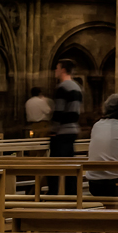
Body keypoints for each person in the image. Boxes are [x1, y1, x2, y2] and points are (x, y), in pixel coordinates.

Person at [46, 59, 82, 195]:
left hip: (62, 132)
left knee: (54, 166)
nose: (55, 71)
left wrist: (53, 130)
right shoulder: (77, 87)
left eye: (57, 68)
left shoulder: (62, 87)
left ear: (63, 69)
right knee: (70, 166)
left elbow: (59, 111)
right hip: (73, 130)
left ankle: (53, 195)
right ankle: (71, 195)